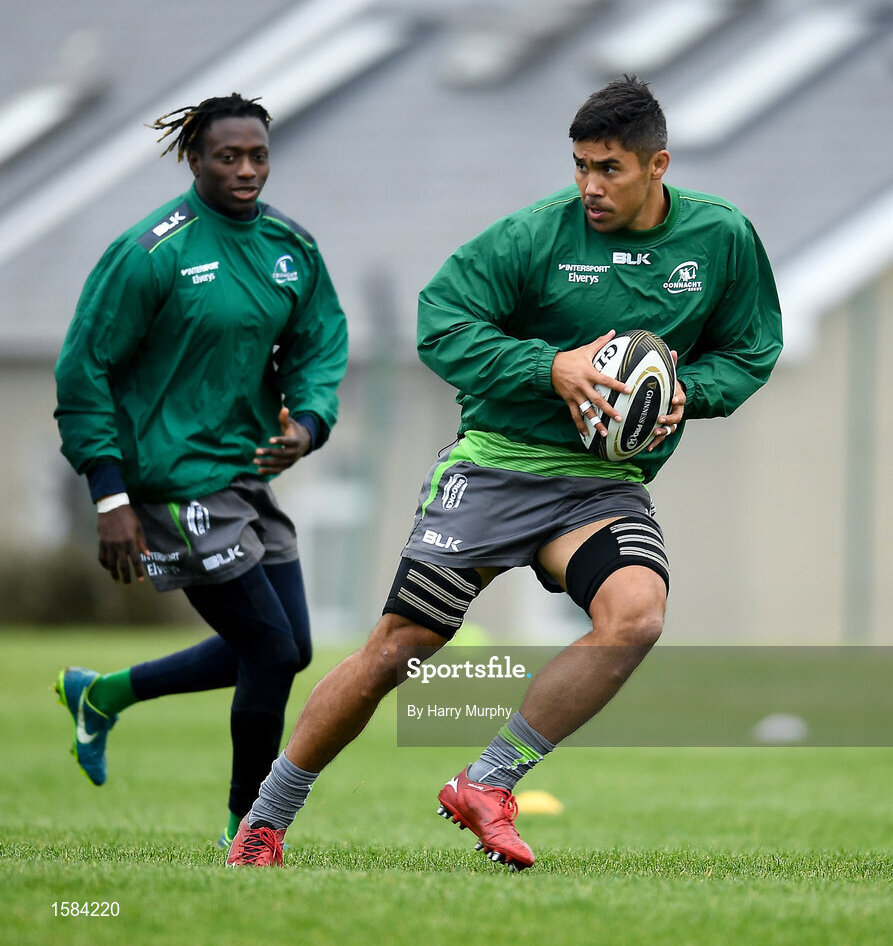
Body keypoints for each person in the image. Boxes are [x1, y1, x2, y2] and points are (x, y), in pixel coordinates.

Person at [225, 76, 782, 869]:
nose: (590, 185)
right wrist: (551, 368)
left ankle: (488, 781)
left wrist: (691, 392)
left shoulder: (720, 237)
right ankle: (265, 819)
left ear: (657, 164)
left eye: (610, 169)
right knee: (398, 649)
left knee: (636, 616)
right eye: (581, 165)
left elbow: (750, 349)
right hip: (496, 467)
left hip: (598, 484)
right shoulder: (532, 237)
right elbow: (440, 324)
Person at [53, 92, 348, 850]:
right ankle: (245, 829)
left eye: (257, 155)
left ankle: (103, 694)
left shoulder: (290, 247)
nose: (246, 169)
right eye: (228, 156)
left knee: (288, 649)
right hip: (173, 480)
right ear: (194, 159)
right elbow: (83, 371)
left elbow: (320, 344)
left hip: (245, 471)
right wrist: (108, 494)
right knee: (271, 651)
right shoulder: (151, 252)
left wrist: (307, 425)